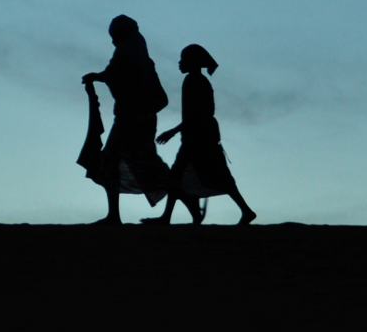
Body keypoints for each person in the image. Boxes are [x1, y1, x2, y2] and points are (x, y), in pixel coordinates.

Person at [147, 43, 257, 226]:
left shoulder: (194, 82)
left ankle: (245, 211)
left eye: (183, 60)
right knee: (206, 176)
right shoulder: (197, 81)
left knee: (188, 175)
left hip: (198, 138)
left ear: (192, 62)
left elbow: (196, 114)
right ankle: (245, 211)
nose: (179, 63)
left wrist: (173, 131)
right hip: (200, 136)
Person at [81, 14, 171, 224]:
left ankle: (181, 193)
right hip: (128, 120)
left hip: (135, 121)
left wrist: (99, 77)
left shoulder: (136, 58)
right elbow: (114, 74)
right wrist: (98, 77)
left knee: (143, 165)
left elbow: (120, 77)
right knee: (114, 162)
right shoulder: (128, 55)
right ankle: (114, 215)